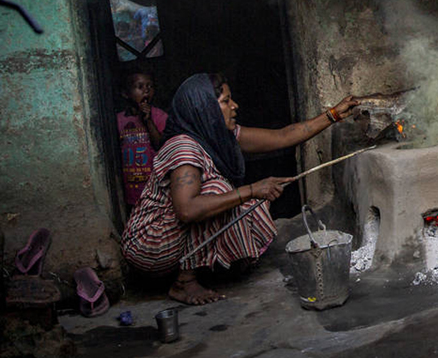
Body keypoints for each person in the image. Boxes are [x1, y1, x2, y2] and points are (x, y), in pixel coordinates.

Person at [121, 72, 358, 305]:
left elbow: (282, 136)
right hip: (148, 244)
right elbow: (187, 210)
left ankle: (217, 267)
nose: (235, 106)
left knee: (236, 198)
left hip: (169, 238)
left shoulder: (216, 135)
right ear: (205, 108)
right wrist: (254, 189)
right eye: (225, 101)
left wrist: (334, 114)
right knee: (218, 190)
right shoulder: (184, 148)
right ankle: (184, 282)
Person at [116, 70, 168, 208]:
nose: (146, 91)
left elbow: (160, 145)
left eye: (150, 87)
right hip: (131, 191)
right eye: (140, 87)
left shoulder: (159, 116)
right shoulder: (118, 120)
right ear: (126, 93)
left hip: (156, 190)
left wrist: (148, 121)